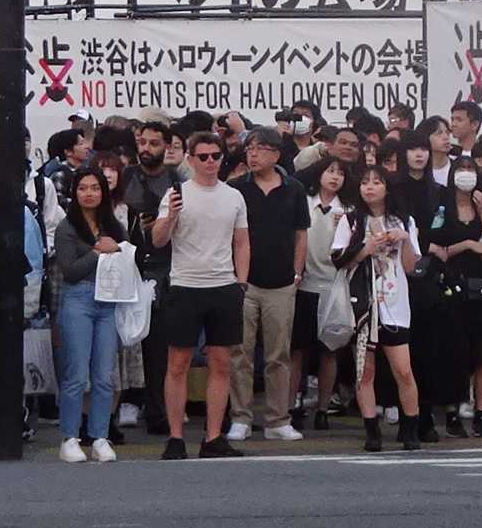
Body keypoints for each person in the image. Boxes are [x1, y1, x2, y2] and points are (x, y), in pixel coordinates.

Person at [151, 130, 248, 460]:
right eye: (203, 156)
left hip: (223, 286)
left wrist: (241, 283)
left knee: (221, 363)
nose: (210, 162)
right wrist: (173, 214)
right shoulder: (176, 193)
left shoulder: (234, 196)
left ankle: (214, 436)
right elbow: (158, 239)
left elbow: (242, 242)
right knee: (177, 363)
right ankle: (176, 436)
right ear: (190, 160)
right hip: (185, 285)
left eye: (216, 156)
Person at [226, 127, 309, 443]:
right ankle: (241, 418)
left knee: (279, 355)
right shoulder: (236, 189)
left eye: (260, 148)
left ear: (276, 153)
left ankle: (277, 418)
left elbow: (301, 233)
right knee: (240, 354)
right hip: (244, 283)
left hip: (281, 283)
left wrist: (297, 272)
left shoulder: (294, 188)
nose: (253, 154)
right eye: (249, 148)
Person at [340, 164, 423, 451]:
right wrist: (366, 247)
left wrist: (405, 240)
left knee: (403, 370)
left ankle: (410, 428)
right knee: (365, 372)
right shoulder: (350, 221)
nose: (370, 187)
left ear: (387, 187)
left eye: (376, 182)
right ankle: (371, 431)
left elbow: (412, 268)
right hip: (362, 306)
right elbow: (339, 260)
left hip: (396, 306)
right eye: (364, 182)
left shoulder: (404, 221)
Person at [423, 153, 482, 438]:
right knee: (456, 354)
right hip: (452, 286)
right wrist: (468, 244)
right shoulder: (442, 205)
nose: (466, 173)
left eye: (471, 168)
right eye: (462, 168)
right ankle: (453, 411)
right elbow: (436, 247)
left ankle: (481, 413)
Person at [52, 167, 128, 464]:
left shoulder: (114, 224)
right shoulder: (66, 227)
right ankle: (69, 436)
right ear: (75, 192)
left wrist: (116, 251)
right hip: (78, 299)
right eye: (82, 188)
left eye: (94, 187)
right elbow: (69, 271)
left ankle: (99, 436)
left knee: (104, 376)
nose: (89, 193)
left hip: (109, 301)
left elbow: (128, 257)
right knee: (75, 374)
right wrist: (98, 253)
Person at [298, 156, 355, 431]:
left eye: (340, 173)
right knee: (297, 350)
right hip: (305, 283)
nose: (335, 177)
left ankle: (323, 408)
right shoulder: (304, 203)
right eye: (330, 171)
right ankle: (291, 404)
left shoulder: (349, 210)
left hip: (335, 287)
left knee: (329, 350)